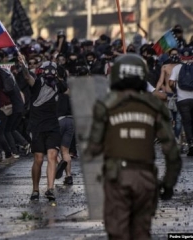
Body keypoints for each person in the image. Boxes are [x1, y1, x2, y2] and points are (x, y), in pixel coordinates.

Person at [84, 54, 181, 240]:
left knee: (118, 233)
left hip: (116, 178)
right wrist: (168, 184)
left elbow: (92, 148)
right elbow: (172, 151)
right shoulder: (154, 106)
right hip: (146, 178)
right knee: (142, 232)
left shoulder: (105, 105)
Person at [18, 55, 66, 202]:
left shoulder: (59, 85)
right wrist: (23, 65)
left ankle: (50, 188)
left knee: (52, 156)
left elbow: (66, 86)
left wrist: (58, 75)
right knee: (38, 159)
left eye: (52, 71)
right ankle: (35, 189)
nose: (50, 73)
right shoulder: (37, 83)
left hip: (53, 125)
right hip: (37, 126)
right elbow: (27, 77)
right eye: (47, 70)